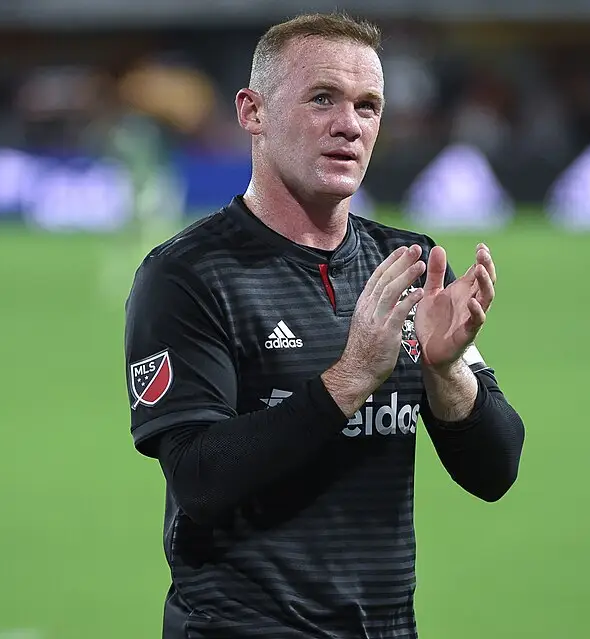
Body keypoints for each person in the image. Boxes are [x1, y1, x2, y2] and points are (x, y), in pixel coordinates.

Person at [124, 12, 526, 639]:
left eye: (369, 106)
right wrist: (353, 376)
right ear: (252, 112)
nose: (350, 125)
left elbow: (496, 470)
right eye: (322, 99)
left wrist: (447, 371)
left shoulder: (408, 265)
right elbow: (200, 479)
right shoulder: (186, 277)